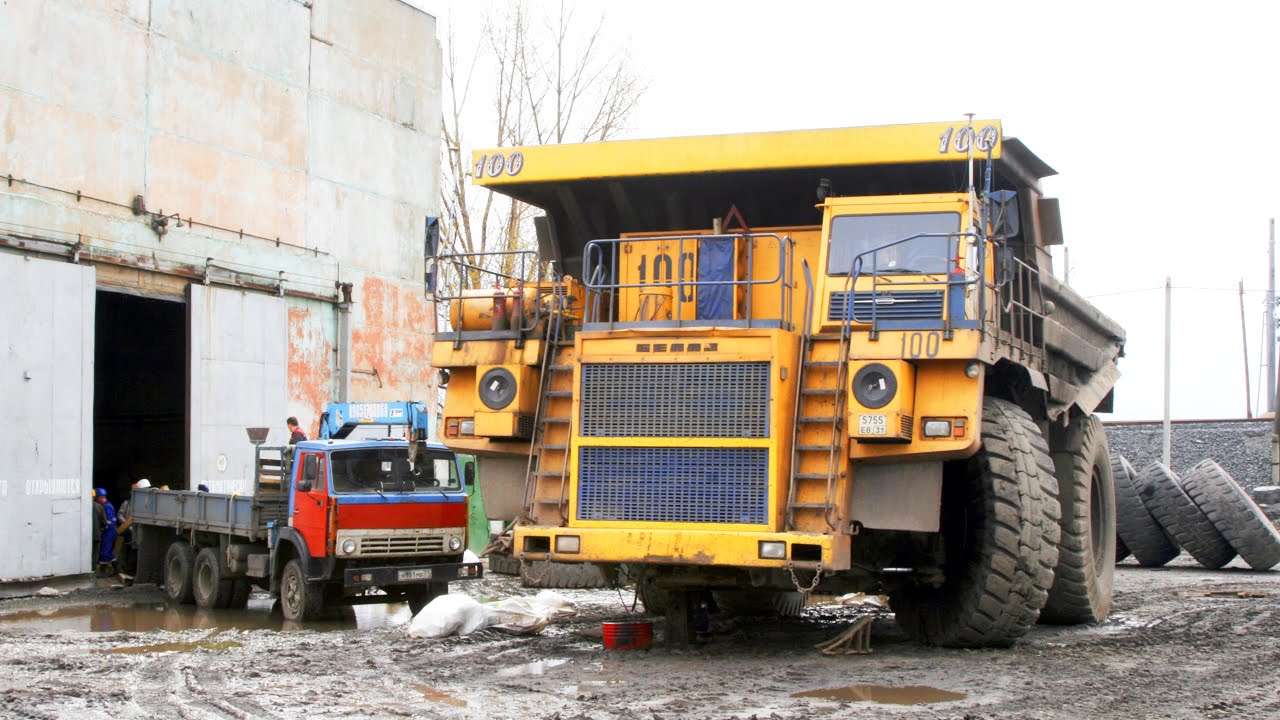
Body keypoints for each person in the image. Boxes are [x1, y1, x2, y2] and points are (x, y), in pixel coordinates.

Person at [94, 489, 117, 575]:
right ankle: (117, 568)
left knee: (104, 551)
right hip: (108, 531)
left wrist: (102, 528)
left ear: (99, 497)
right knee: (108, 552)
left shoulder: (107, 506)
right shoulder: (104, 505)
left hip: (109, 532)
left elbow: (109, 521)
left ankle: (103, 572)